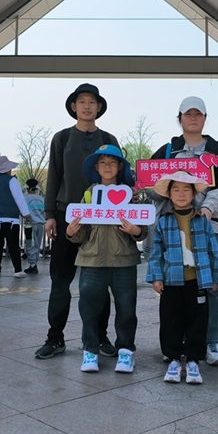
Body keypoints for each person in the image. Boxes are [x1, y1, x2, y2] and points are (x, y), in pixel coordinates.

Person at [35, 83, 119, 360]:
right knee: (61, 281)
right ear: (73, 106)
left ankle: (100, 337)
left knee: (99, 281)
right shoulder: (61, 138)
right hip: (67, 214)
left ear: (98, 107)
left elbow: (120, 178)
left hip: (102, 216)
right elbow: (54, 178)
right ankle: (55, 337)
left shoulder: (108, 138)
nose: (86, 106)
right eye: (81, 101)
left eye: (91, 102)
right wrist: (50, 215)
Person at [148, 96, 218, 367]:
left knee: (208, 287)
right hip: (171, 227)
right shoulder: (167, 150)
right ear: (180, 118)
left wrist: (207, 209)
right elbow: (149, 183)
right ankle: (175, 344)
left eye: (199, 114)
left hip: (206, 227)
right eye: (188, 114)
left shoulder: (217, 151)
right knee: (173, 288)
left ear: (205, 119)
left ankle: (210, 343)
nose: (193, 118)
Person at [66, 145, 147, 374]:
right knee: (88, 308)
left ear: (120, 166)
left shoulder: (130, 194)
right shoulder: (89, 194)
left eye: (113, 162)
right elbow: (82, 232)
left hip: (124, 260)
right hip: (91, 260)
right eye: (102, 162)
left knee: (126, 308)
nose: (108, 166)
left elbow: (143, 227)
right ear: (96, 167)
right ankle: (90, 351)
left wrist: (136, 231)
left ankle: (126, 352)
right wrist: (72, 232)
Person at [146, 171, 218, 385]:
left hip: (198, 281)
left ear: (193, 194)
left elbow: (213, 251)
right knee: (170, 320)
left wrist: (216, 277)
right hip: (172, 281)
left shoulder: (203, 221)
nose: (181, 194)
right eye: (176, 190)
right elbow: (156, 252)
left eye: (186, 189)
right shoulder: (163, 222)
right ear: (169, 194)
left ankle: (193, 360)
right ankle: (173, 359)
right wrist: (156, 277)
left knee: (197, 321)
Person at [0, 156, 31, 278]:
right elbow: (18, 198)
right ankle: (18, 270)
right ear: (7, 169)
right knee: (13, 244)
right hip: (10, 219)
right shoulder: (11, 180)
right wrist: (26, 213)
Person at [24, 178, 45, 274]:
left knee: (30, 244)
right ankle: (34, 263)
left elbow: (21, 212)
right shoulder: (41, 199)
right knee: (37, 244)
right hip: (41, 224)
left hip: (30, 224)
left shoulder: (25, 199)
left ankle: (32, 265)